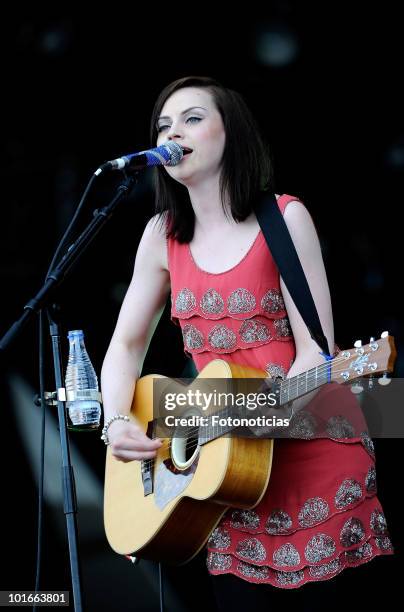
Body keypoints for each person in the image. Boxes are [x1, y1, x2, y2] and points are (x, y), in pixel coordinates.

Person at [100, 76, 393, 610]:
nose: (174, 132)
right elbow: (124, 345)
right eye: (164, 125)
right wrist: (117, 419)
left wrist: (259, 416)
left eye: (191, 118)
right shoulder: (161, 236)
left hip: (313, 461)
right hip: (224, 480)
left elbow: (316, 355)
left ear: (230, 133)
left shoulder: (284, 218)